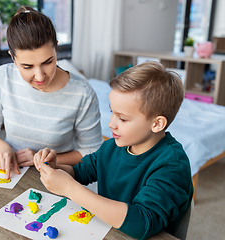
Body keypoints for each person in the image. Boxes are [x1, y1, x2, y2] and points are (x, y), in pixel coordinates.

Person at [34, 61, 194, 240]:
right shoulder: (113, 146)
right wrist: (56, 167)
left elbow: (142, 223)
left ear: (157, 124)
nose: (111, 124)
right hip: (107, 229)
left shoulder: (172, 165)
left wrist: (70, 189)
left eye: (122, 118)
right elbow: (80, 172)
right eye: (112, 112)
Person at [0, 6, 103, 180]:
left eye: (48, 62)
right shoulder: (3, 76)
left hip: (58, 179)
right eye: (27, 67)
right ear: (13, 57)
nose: (40, 76)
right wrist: (2, 147)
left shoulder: (82, 93)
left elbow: (93, 151)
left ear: (56, 48)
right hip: (13, 176)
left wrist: (50, 159)